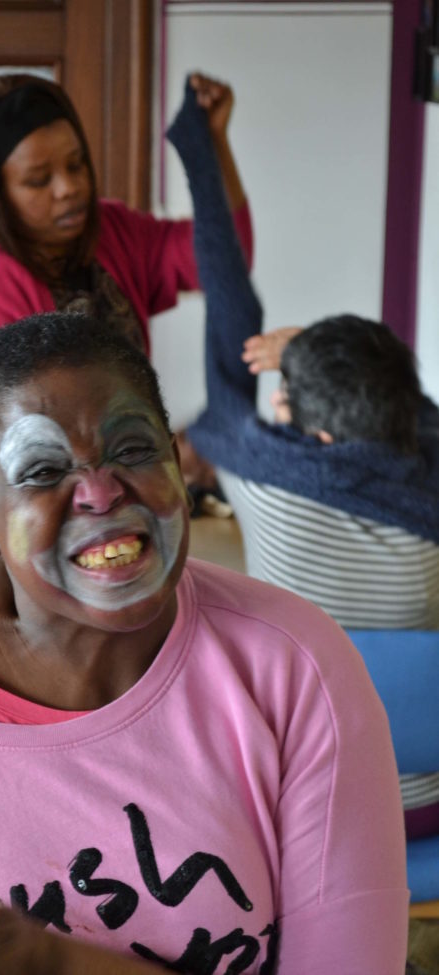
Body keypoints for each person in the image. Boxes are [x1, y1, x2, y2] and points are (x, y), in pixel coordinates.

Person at [0, 307, 407, 974]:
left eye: (133, 450)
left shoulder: (293, 666)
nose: (100, 492)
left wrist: (59, 965)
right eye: (41, 471)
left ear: (177, 464)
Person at [166, 79, 439, 838]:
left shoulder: (268, 481)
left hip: (310, 815)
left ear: (314, 439)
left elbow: (232, 317)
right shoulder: (428, 495)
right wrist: (321, 353)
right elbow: (419, 417)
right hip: (425, 810)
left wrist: (200, 148)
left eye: (285, 398)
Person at [0, 70, 252, 575]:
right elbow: (0, 451)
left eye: (76, 164)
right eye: (39, 180)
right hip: (16, 536)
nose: (69, 188)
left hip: (98, 510)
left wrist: (211, 148)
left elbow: (222, 259)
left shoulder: (112, 234)